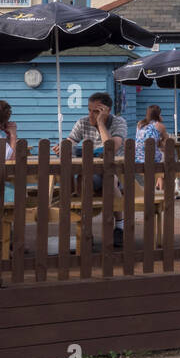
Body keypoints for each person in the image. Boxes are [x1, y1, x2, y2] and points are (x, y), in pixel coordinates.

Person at [56, 92, 129, 247]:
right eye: (89, 110)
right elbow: (70, 141)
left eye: (95, 111)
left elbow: (111, 148)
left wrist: (101, 123)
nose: (91, 115)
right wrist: (63, 147)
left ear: (106, 111)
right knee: (84, 178)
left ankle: (119, 227)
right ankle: (86, 228)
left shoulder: (118, 122)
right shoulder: (82, 123)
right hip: (91, 173)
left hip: (116, 173)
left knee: (110, 178)